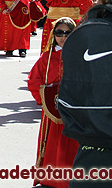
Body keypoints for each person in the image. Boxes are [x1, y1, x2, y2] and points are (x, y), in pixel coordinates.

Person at [28, 17, 78, 188]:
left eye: (67, 33)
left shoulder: (79, 56)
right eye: (59, 33)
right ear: (53, 34)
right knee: (50, 145)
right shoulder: (47, 57)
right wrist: (43, 100)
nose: (63, 37)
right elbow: (34, 80)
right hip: (51, 111)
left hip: (73, 112)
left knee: (69, 146)